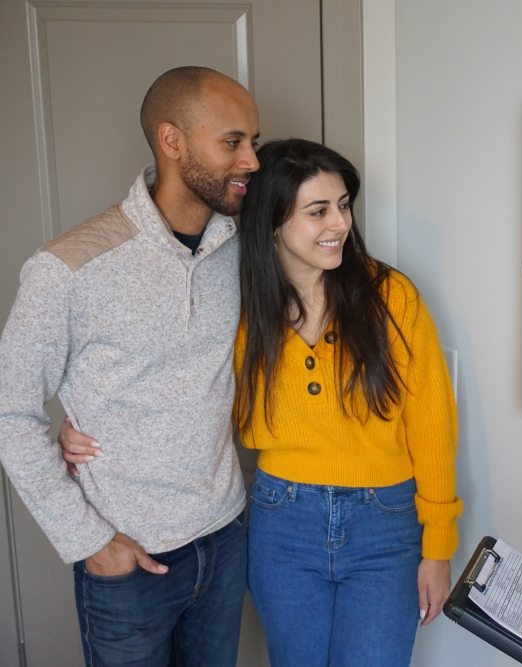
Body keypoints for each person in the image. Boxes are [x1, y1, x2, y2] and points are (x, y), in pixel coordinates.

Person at [64, 138, 462, 666]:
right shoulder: (236, 303)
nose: (340, 223)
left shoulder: (391, 296)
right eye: (318, 210)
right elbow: (174, 385)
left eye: (344, 205)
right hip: (283, 523)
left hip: (385, 524)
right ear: (272, 222)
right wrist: (93, 427)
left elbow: (432, 426)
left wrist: (438, 546)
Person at [0, 66, 259, 666]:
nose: (249, 160)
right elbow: (11, 411)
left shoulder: (243, 250)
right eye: (232, 142)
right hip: (128, 562)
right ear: (172, 142)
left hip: (224, 539)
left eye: (253, 143)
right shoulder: (66, 268)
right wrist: (87, 541)